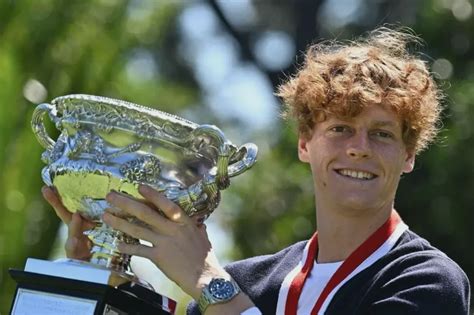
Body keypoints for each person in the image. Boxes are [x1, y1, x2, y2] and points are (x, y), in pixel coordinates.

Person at [42, 27, 471, 314]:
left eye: (381, 134)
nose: (358, 149)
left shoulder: (427, 282)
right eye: (340, 129)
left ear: (409, 155)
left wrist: (207, 279)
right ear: (305, 144)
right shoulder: (250, 282)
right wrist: (104, 275)